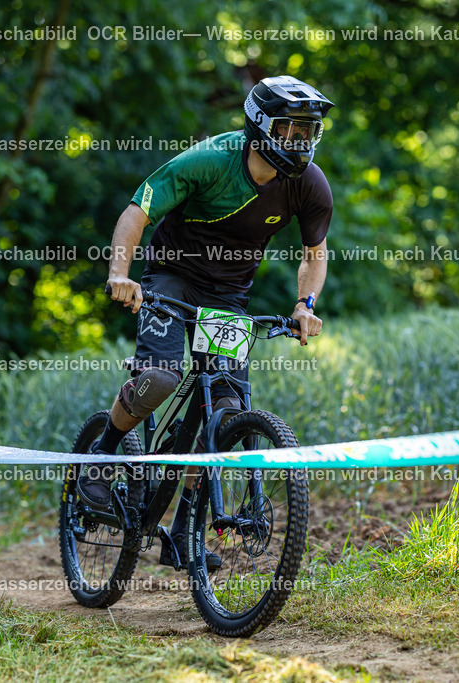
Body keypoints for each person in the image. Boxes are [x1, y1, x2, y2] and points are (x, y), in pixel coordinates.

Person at [78, 75, 335, 571]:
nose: (301, 140)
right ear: (261, 127)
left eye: (309, 131)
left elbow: (314, 254)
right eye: (291, 130)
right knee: (161, 377)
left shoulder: (309, 184)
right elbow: (139, 209)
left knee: (227, 408)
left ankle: (182, 533)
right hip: (171, 282)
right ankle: (103, 457)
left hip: (228, 299)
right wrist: (119, 275)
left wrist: (304, 303)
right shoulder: (212, 160)